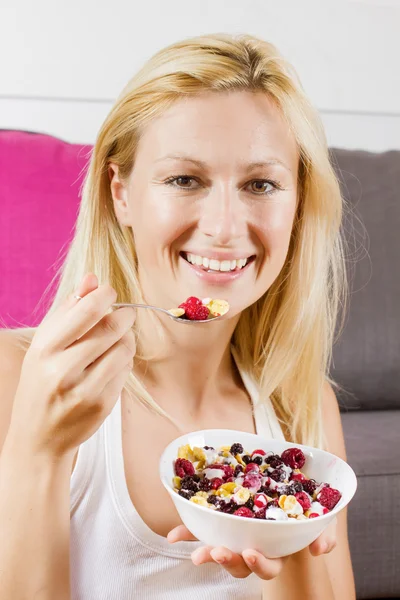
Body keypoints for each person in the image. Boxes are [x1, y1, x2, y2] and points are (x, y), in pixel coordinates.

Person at [0, 33, 355, 599]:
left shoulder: (303, 402)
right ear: (121, 194)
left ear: (297, 205)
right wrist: (39, 452)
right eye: (184, 180)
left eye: (260, 184)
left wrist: (288, 549)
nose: (223, 225)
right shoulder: (16, 375)